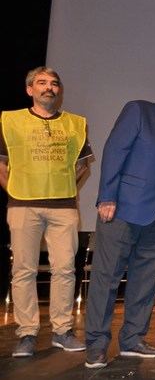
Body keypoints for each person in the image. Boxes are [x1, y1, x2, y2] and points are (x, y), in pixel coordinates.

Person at [84, 73, 155, 368]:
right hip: (122, 210)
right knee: (106, 277)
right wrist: (107, 196)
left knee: (144, 280)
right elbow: (114, 151)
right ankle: (96, 344)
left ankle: (132, 339)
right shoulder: (139, 110)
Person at [1, 66, 92, 357]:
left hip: (63, 207)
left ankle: (62, 331)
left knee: (64, 268)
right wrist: (16, 190)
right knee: (23, 270)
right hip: (23, 205)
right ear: (30, 90)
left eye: (54, 83)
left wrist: (65, 190)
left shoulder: (75, 124)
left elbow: (82, 166)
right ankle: (27, 332)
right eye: (41, 83)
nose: (48, 87)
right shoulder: (10, 121)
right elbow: (2, 164)